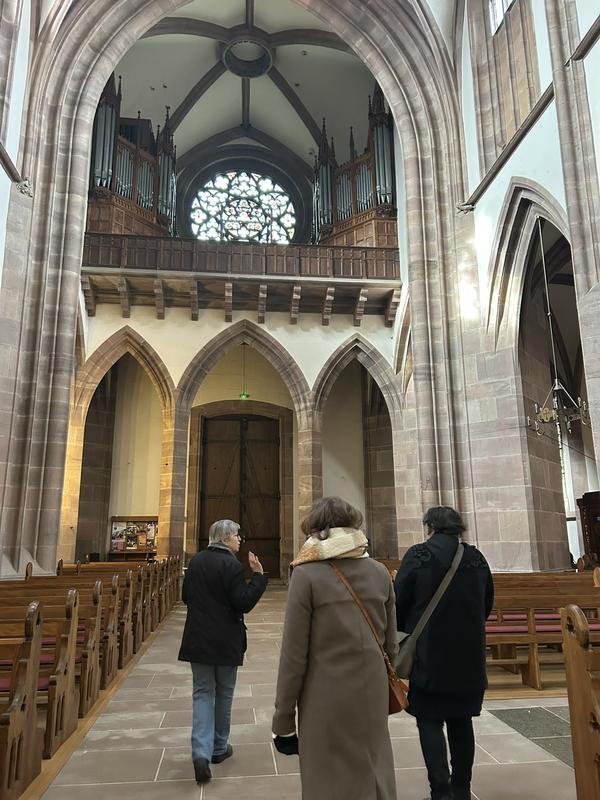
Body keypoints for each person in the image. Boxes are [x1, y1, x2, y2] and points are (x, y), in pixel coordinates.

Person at [272, 496, 398, 800]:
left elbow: (293, 656)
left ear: (316, 531)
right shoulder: (379, 572)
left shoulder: (306, 574)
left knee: (329, 779)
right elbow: (391, 644)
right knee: (374, 766)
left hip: (325, 696)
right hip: (372, 690)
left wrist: (283, 720)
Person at [394, 506, 494, 800]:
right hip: (468, 654)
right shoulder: (476, 558)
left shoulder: (419, 555)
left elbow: (398, 602)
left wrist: (403, 635)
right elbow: (487, 602)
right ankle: (462, 789)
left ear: (430, 527)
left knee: (429, 721)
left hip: (429, 655)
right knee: (462, 721)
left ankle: (441, 791)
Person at [178, 519, 267, 784]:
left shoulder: (196, 561)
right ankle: (218, 748)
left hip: (198, 639)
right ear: (226, 538)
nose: (240, 539)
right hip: (226, 640)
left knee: (202, 693)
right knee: (224, 693)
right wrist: (259, 577)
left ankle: (200, 753)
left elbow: (185, 596)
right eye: (237, 535)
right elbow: (244, 602)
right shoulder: (231, 565)